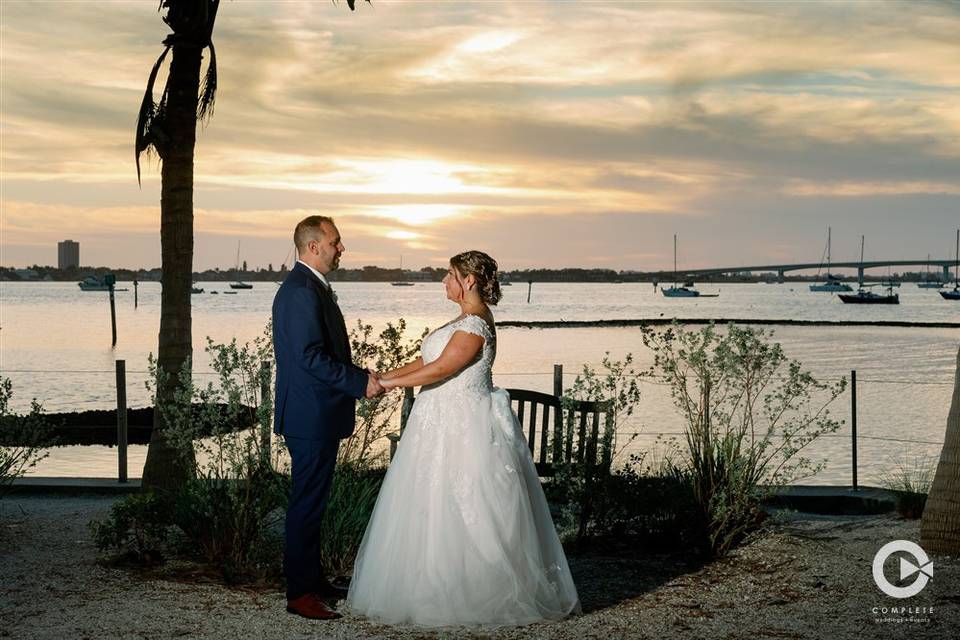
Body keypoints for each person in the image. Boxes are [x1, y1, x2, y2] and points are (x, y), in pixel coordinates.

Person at [347, 250, 581, 626]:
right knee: (429, 502)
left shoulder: (475, 326)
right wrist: (378, 377)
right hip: (436, 423)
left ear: (468, 280)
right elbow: (425, 362)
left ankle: (471, 591)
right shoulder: (462, 321)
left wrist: (385, 384)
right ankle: (424, 584)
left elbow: (442, 369)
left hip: (463, 426)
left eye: (449, 275)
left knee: (465, 504)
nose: (444, 281)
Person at [272, 215, 383, 620]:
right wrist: (359, 382)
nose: (342, 248)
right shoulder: (301, 291)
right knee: (306, 505)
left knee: (313, 503)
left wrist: (358, 377)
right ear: (313, 246)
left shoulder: (309, 287)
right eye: (336, 242)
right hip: (309, 416)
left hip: (314, 413)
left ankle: (313, 581)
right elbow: (309, 357)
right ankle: (300, 595)